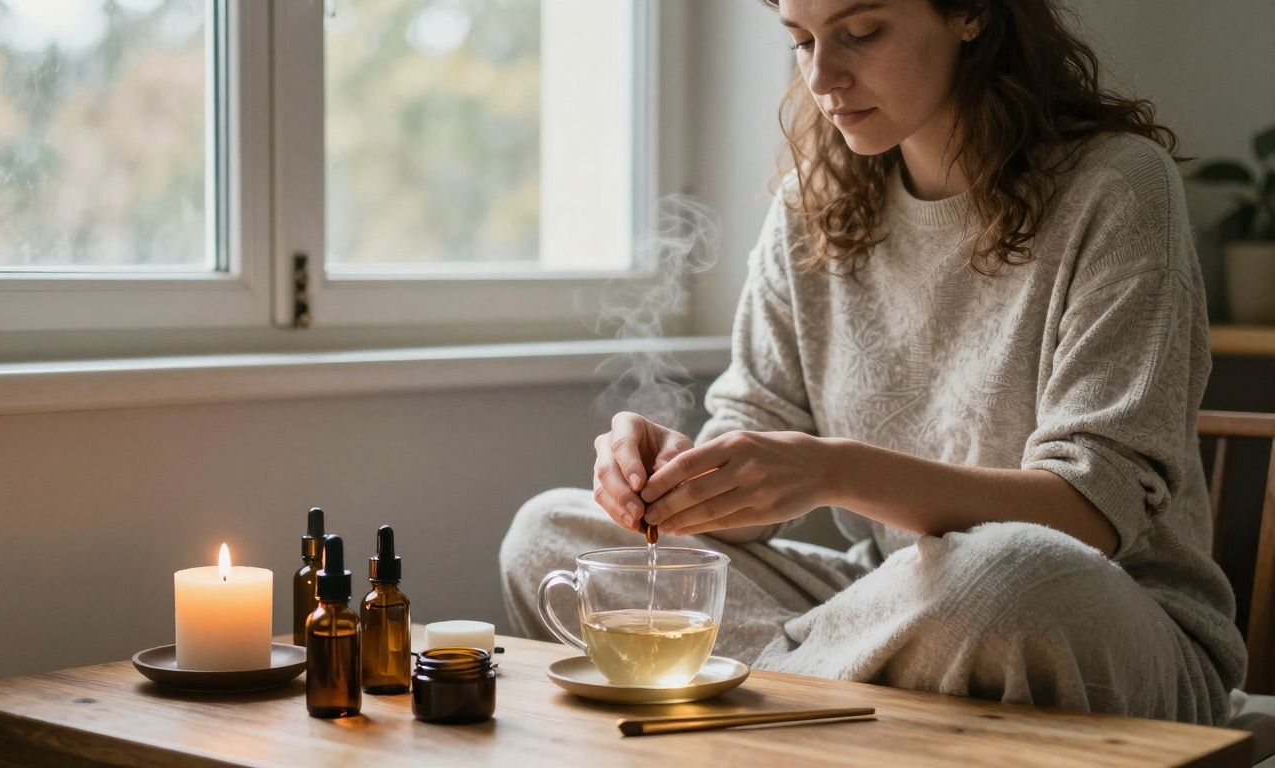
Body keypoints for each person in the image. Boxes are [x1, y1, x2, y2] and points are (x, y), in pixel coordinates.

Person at [500, 0, 1246, 725]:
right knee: (549, 533)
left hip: (1091, 611)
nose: (822, 77)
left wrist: (834, 470)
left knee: (1006, 570)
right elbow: (748, 479)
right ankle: (821, 699)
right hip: (893, 601)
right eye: (801, 40)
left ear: (969, 13)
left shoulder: (1118, 187)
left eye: (860, 31)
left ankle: (776, 699)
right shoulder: (810, 208)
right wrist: (680, 481)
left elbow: (1089, 517)